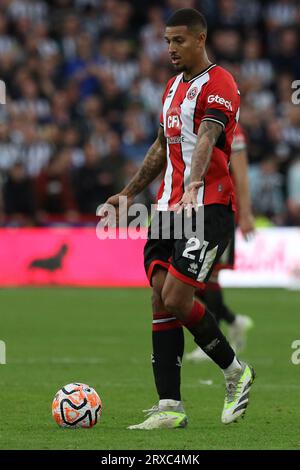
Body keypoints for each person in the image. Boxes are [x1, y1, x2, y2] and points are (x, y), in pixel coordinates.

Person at [99, 8, 255, 429]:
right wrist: (128, 193)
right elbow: (160, 148)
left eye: (179, 41)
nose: (170, 48)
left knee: (177, 298)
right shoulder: (170, 88)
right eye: (167, 41)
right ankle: (170, 406)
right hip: (168, 210)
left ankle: (236, 372)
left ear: (200, 39)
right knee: (158, 297)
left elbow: (207, 136)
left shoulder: (219, 83)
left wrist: (195, 182)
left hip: (207, 208)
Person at [186, 123, 255, 363]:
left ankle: (211, 342)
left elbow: (242, 174)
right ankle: (234, 321)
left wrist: (245, 213)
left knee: (207, 278)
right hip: (196, 210)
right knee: (190, 281)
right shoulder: (198, 124)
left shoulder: (233, 130)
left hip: (220, 212)